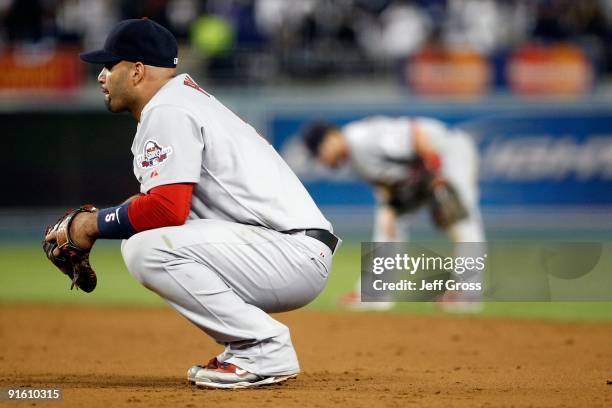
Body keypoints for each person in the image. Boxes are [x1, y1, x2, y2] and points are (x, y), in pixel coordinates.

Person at [44, 18, 340, 389]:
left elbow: (166, 209)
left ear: (136, 71)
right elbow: (157, 202)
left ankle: (264, 348)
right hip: (282, 247)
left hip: (289, 252)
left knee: (145, 248)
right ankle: (250, 348)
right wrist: (95, 221)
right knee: (148, 238)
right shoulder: (180, 101)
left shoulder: (167, 109)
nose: (101, 76)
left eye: (109, 65)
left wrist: (90, 225)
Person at [302, 116, 485, 312]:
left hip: (447, 152)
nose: (322, 160)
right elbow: (388, 180)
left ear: (329, 139)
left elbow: (416, 136)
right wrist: (390, 208)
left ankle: (467, 294)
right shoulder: (354, 157)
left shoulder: (360, 138)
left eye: (319, 153)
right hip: (418, 172)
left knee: (461, 221)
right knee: (388, 225)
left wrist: (438, 179)